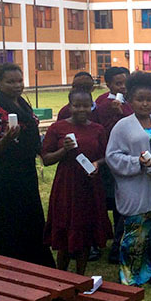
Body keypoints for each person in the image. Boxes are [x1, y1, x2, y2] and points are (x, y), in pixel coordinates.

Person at [106, 72, 151, 287]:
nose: (145, 104)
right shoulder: (122, 126)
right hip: (135, 186)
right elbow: (112, 156)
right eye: (140, 99)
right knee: (135, 233)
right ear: (130, 100)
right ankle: (130, 276)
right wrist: (137, 162)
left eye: (149, 99)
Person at [0, 63, 55, 267]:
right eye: (10, 82)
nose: (17, 85)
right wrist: (7, 138)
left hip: (26, 170)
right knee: (8, 219)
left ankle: (35, 262)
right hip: (5, 174)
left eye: (19, 80)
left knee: (31, 215)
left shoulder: (23, 105)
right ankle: (7, 264)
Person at [42, 89, 112, 274]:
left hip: (90, 184)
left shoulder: (98, 129)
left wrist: (97, 164)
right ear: (69, 106)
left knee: (86, 229)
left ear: (92, 106)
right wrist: (63, 150)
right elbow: (46, 159)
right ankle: (61, 274)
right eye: (77, 105)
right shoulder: (57, 128)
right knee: (66, 226)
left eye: (86, 106)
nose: (82, 109)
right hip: (67, 184)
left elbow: (106, 155)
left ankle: (80, 275)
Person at [93, 66, 133, 264]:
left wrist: (123, 112)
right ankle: (106, 244)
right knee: (109, 202)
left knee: (123, 205)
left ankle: (121, 243)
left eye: (125, 83)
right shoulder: (103, 104)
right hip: (110, 160)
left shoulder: (130, 102)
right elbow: (102, 131)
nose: (122, 87)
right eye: (118, 83)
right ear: (108, 84)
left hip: (129, 158)